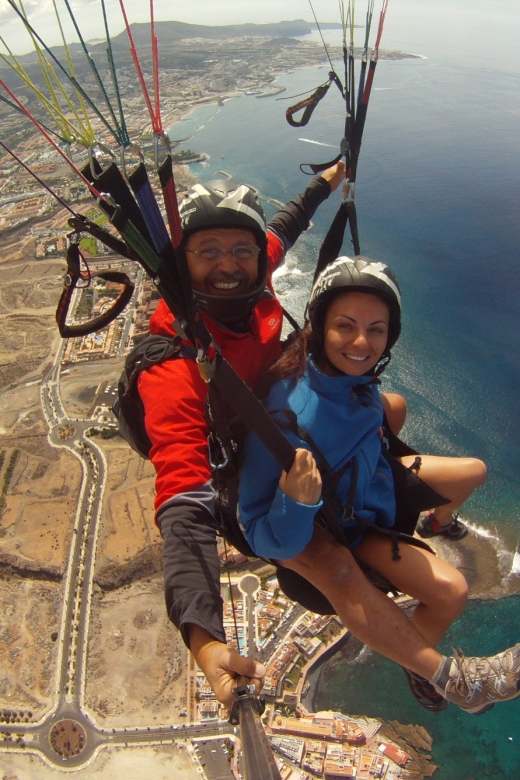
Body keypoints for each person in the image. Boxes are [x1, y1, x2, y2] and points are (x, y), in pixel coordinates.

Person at [239, 256, 520, 715]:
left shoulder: (345, 377)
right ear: (319, 326)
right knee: (452, 593)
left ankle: (438, 524)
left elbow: (364, 416)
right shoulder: (288, 419)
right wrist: (296, 502)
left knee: (472, 468)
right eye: (346, 326)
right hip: (353, 525)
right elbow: (257, 530)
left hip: (375, 481)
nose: (361, 342)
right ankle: (428, 670)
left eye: (376, 330)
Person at [138, 164, 346, 706]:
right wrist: (204, 639)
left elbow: (287, 223)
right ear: (182, 263)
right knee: (332, 562)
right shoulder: (172, 365)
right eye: (208, 251)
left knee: (389, 408)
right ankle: (435, 671)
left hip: (277, 424)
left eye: (241, 251)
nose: (227, 266)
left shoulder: (254, 275)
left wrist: (330, 179)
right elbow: (183, 496)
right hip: (233, 474)